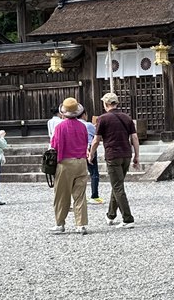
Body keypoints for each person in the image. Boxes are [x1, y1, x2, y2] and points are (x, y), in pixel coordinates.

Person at [92, 92, 141, 228]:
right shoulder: (127, 117)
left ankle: (128, 218)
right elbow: (134, 137)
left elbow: (96, 140)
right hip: (126, 154)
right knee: (117, 184)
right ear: (116, 103)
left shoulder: (102, 119)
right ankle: (111, 214)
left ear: (106, 104)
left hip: (113, 155)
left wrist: (91, 154)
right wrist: (137, 155)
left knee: (118, 186)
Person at [50, 97, 90, 234]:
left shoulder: (60, 127)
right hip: (81, 161)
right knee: (80, 195)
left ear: (63, 112)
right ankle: (80, 224)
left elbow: (55, 145)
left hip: (65, 162)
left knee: (62, 194)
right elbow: (86, 142)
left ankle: (60, 223)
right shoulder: (83, 126)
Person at [84, 112, 103, 204]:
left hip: (78, 149)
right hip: (89, 148)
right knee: (94, 172)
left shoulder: (75, 124)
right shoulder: (88, 125)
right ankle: (94, 195)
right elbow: (97, 135)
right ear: (84, 115)